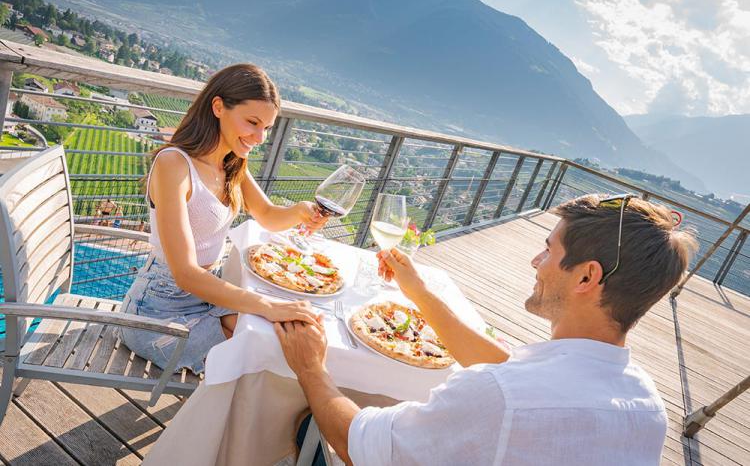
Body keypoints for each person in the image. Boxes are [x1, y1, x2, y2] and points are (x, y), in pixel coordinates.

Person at [274, 194, 698, 465]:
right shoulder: (647, 407)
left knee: (308, 416)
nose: (536, 261)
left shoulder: (500, 397)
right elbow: (510, 370)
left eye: (549, 250)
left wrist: (311, 368)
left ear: (587, 277)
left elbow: (357, 444)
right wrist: (418, 290)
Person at [119, 63, 328, 375]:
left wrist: (300, 210)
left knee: (280, 336)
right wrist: (268, 306)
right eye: (252, 123)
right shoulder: (174, 165)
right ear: (218, 107)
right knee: (256, 354)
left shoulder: (231, 163)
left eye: (267, 128)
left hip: (205, 296)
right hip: (156, 310)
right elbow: (186, 274)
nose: (259, 137)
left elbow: (268, 216)